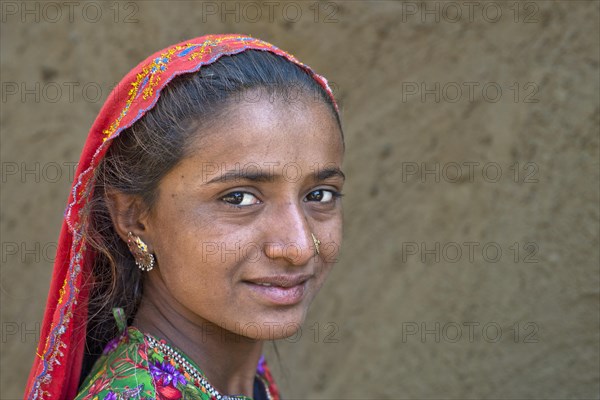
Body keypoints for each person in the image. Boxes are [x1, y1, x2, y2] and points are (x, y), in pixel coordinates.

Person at [24, 34, 344, 400]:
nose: (299, 247)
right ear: (134, 218)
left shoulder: (239, 379)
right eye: (238, 198)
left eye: (319, 195)